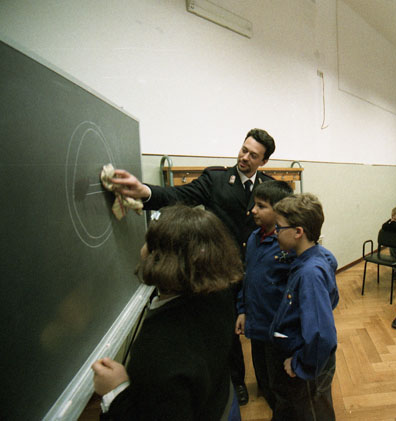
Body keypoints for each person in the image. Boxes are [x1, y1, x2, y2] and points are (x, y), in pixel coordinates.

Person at [109, 128, 277, 404]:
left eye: (253, 155)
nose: (244, 157)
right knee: (226, 330)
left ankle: (268, 383)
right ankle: (235, 381)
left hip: (255, 269)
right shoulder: (216, 179)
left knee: (259, 322)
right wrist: (145, 192)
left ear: (264, 161)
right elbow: (178, 195)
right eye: (244, 149)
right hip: (222, 271)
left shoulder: (268, 186)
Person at [91, 205, 244, 420]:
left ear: (162, 260)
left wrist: (115, 392)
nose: (142, 249)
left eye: (149, 244)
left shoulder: (158, 349)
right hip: (221, 404)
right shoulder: (219, 293)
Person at [268, 193, 339, 420]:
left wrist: (301, 365)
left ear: (298, 232)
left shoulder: (310, 273)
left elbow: (321, 336)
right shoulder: (315, 258)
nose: (275, 232)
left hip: (306, 368)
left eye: (279, 227)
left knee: (313, 412)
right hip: (297, 355)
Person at [235, 181, 293, 411]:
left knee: (279, 380)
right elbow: (247, 277)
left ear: (279, 210)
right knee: (263, 374)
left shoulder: (287, 244)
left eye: (261, 206)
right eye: (254, 204)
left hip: (276, 328)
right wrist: (242, 310)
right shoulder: (252, 238)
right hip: (256, 323)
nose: (253, 210)